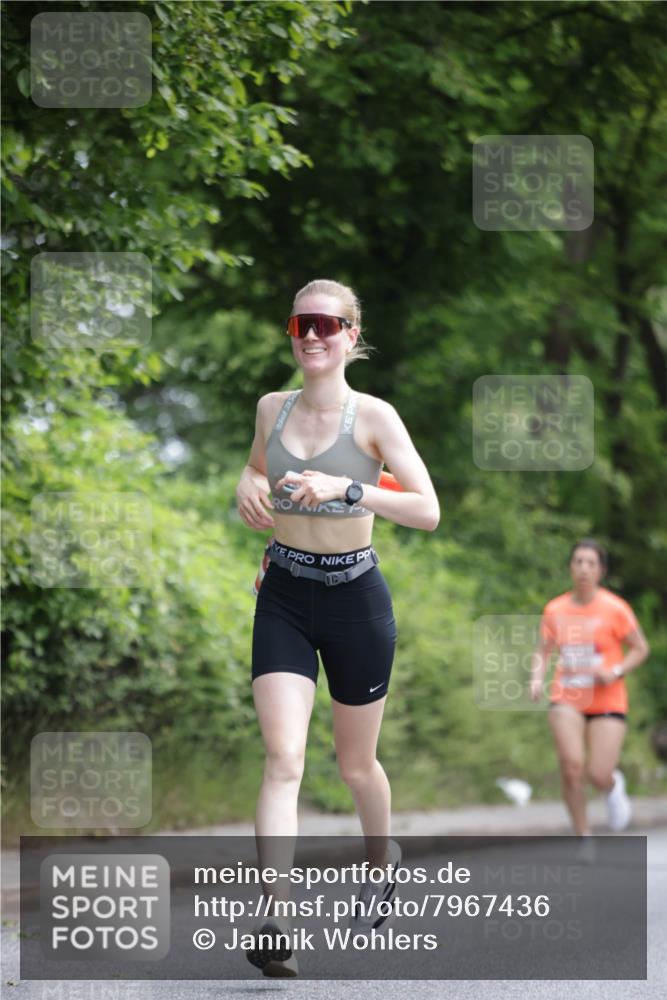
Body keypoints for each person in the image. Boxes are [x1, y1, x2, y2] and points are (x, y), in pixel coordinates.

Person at [235, 278, 440, 976]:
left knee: (355, 765)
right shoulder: (271, 408)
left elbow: (427, 510)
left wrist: (349, 489)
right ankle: (277, 918)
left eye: (328, 324)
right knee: (283, 759)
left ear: (351, 336)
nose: (314, 335)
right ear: (292, 334)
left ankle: (381, 862)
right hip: (284, 594)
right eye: (303, 324)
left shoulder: (374, 417)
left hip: (357, 600)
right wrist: (246, 486)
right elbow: (255, 468)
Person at [530, 539, 650, 847]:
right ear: (571, 567)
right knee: (571, 768)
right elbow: (543, 652)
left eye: (591, 563)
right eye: (578, 562)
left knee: (598, 773)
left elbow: (640, 648)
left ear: (601, 571)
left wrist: (616, 671)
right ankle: (583, 836)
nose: (584, 569)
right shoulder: (555, 609)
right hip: (567, 695)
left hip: (607, 697)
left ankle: (612, 786)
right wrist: (536, 679)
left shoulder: (615, 608)